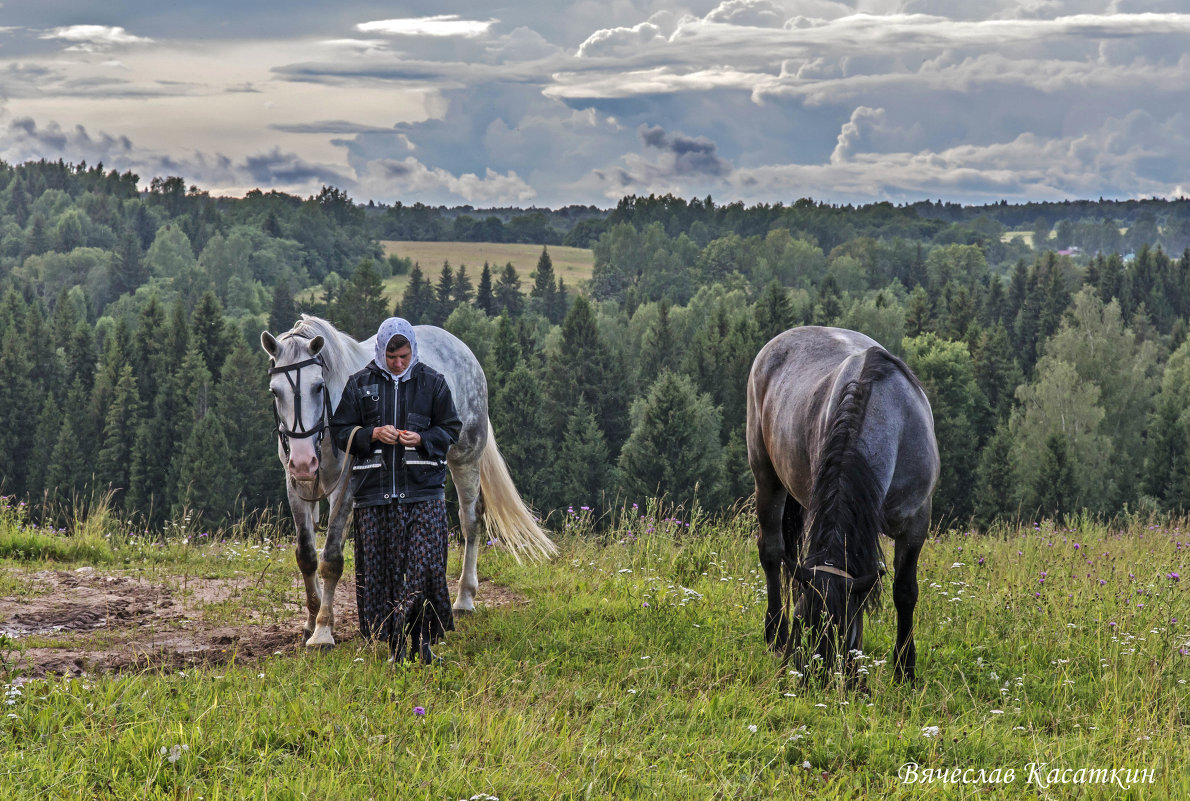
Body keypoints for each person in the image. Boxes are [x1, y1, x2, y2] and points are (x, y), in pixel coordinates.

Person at [330, 317, 461, 664]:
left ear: (412, 350)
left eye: (404, 356)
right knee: (383, 575)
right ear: (380, 352)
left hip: (424, 495)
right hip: (374, 498)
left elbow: (451, 429)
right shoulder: (359, 385)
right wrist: (370, 434)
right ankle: (395, 649)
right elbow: (340, 431)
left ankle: (423, 644)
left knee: (422, 569)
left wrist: (423, 439)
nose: (399, 363)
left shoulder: (433, 383)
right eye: (392, 357)